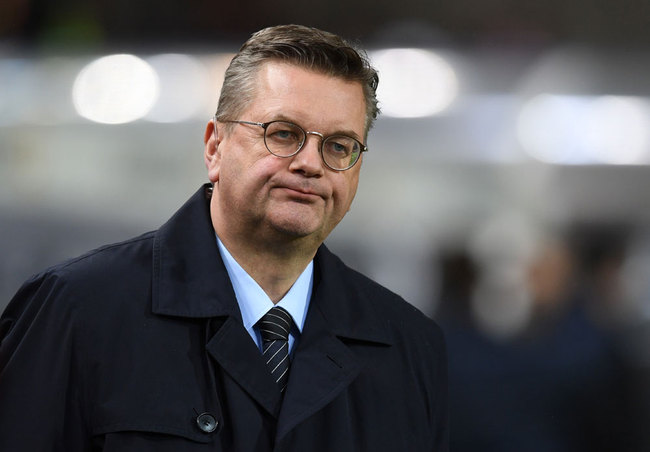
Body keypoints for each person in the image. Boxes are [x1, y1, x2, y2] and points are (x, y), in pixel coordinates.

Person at [0, 24, 448, 451]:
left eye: (338, 146)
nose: (311, 163)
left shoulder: (408, 348)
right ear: (215, 146)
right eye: (284, 134)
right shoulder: (77, 310)